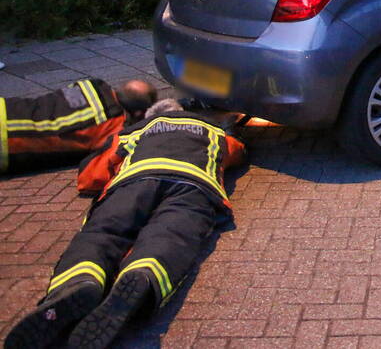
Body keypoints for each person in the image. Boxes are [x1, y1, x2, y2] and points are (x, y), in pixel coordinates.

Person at [4, 99, 247, 349]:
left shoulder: (134, 131)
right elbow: (236, 153)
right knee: (171, 235)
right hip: (193, 185)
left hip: (133, 182)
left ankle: (77, 281)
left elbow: (91, 176)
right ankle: (142, 278)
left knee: (102, 232)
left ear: (150, 117)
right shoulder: (212, 131)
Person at [0, 79, 156, 174]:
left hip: (7, 107)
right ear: (138, 113)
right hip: (8, 140)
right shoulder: (112, 125)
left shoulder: (93, 85)